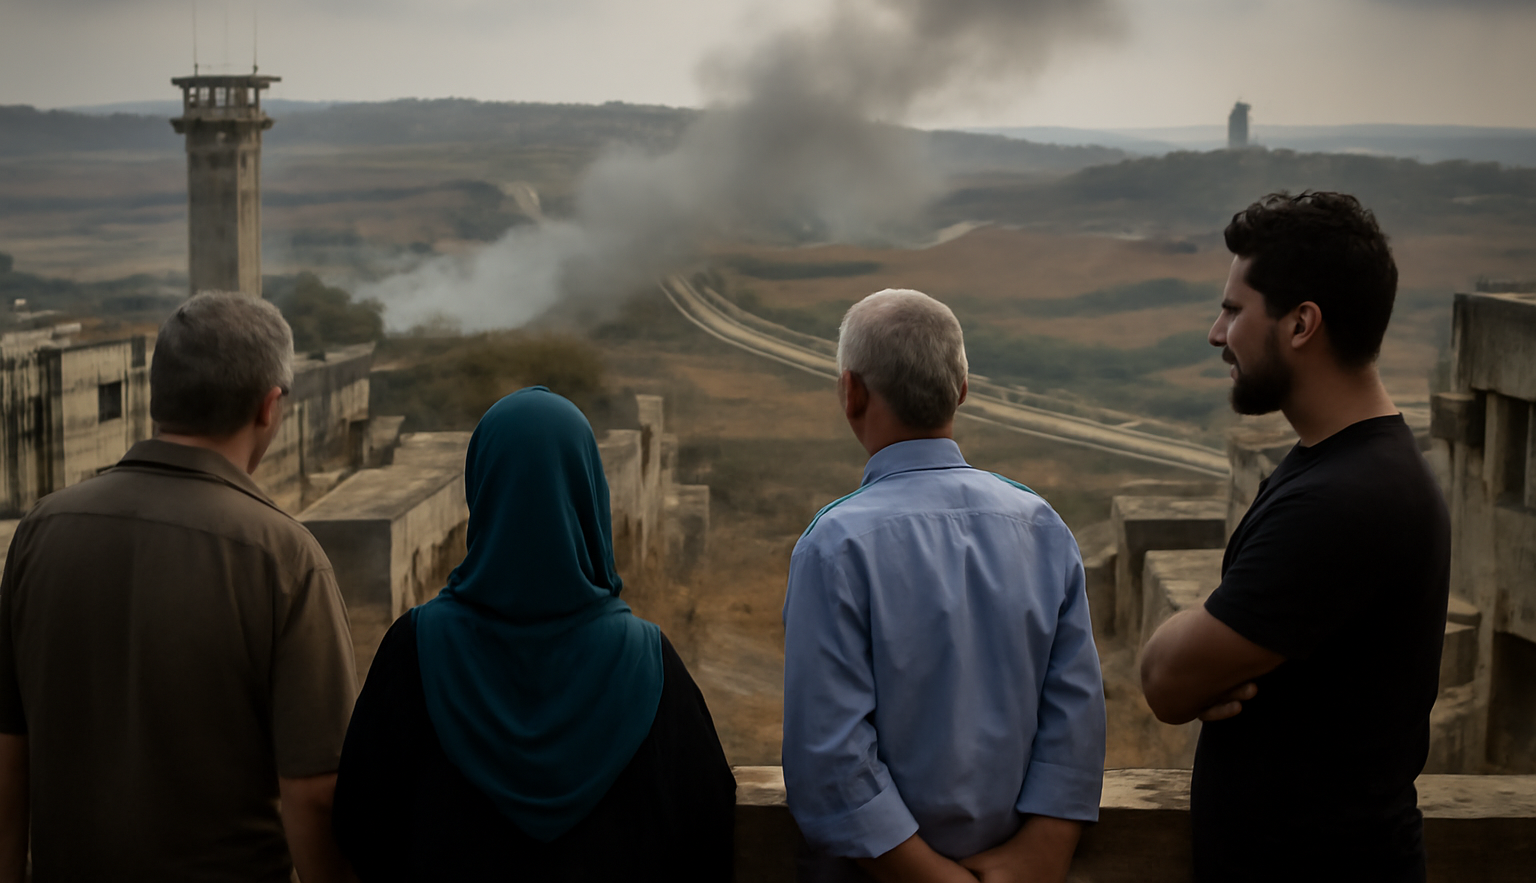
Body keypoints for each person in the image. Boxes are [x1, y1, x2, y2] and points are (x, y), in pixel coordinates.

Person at [1140, 192, 1450, 881]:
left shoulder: (1343, 501)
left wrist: (1198, 642)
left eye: (1232, 309)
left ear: (1302, 323)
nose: (1216, 334)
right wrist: (1229, 636)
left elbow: (1164, 681)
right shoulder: (1342, 467)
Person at [0, 291, 358, 882]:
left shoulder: (42, 531)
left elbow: (9, 753)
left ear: (155, 396)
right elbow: (315, 792)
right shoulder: (284, 558)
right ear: (270, 406)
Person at [332, 386, 737, 881]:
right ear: (589, 495)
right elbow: (708, 829)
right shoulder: (647, 662)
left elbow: (359, 822)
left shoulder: (414, 649)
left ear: (481, 491)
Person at [782, 288, 1106, 883]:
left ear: (850, 392)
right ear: (962, 388)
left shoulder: (835, 545)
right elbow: (1075, 715)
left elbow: (829, 753)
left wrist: (927, 874)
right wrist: (1045, 849)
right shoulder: (1041, 525)